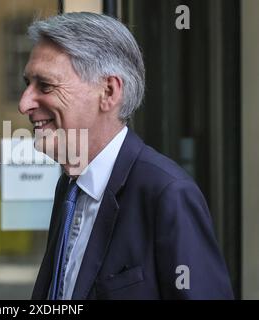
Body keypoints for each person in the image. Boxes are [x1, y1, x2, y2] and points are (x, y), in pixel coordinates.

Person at [18, 12, 233, 300]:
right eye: (27, 84)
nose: (24, 103)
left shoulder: (167, 194)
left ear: (108, 92)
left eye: (45, 86)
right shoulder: (69, 188)